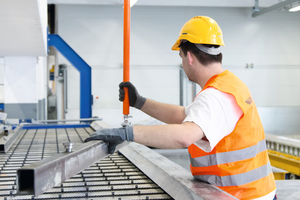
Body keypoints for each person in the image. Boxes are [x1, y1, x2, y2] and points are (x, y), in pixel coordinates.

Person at [85, 16, 276, 200]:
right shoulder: (229, 85)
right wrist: (140, 102)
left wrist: (127, 133)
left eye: (181, 56)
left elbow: (184, 135)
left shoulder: (216, 96)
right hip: (251, 193)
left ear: (190, 57)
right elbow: (182, 115)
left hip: (240, 196)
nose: (183, 63)